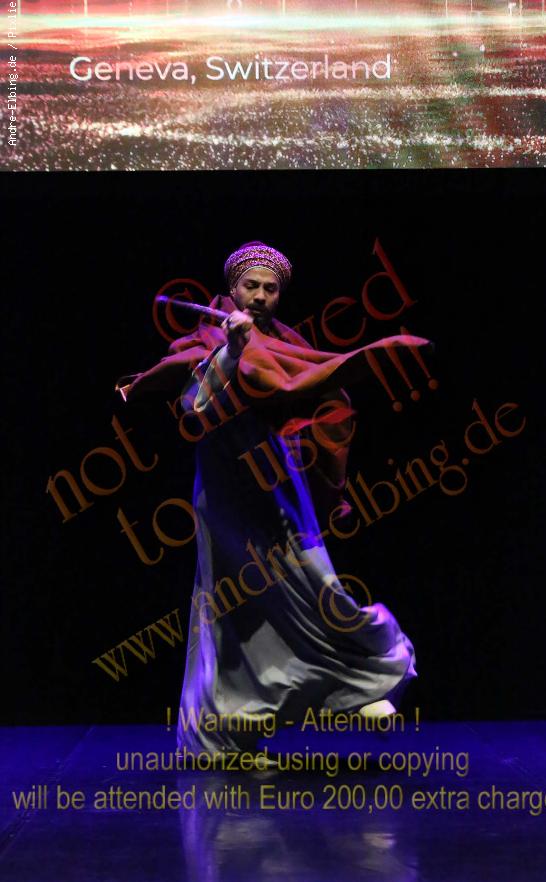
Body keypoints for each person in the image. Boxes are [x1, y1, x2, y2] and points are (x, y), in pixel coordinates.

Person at [121, 241, 425, 756]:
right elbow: (194, 409)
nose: (260, 296)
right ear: (232, 288)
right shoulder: (204, 339)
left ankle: (364, 681)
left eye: (270, 289)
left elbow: (325, 393)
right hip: (225, 491)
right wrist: (231, 350)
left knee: (314, 583)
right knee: (234, 612)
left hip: (279, 480)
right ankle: (233, 729)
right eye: (251, 286)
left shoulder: (287, 343)